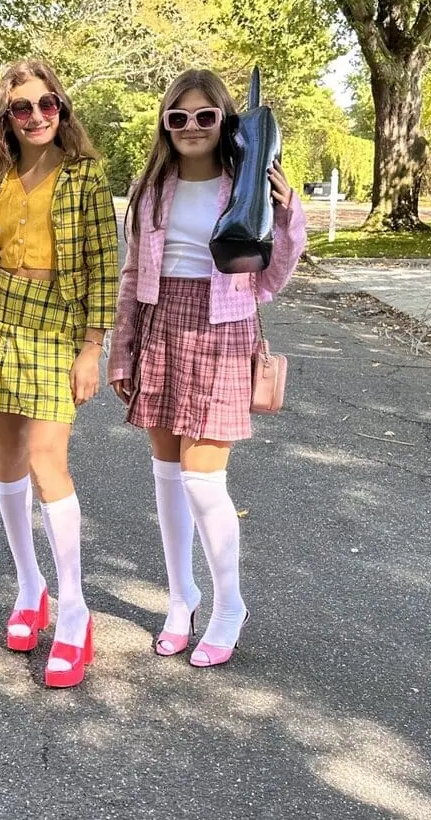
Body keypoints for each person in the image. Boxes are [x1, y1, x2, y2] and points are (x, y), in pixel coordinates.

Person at [108, 69, 306, 668]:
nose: (191, 127)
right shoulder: (150, 190)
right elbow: (133, 275)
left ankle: (229, 606)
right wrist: (122, 348)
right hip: (159, 324)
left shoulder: (244, 186)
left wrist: (287, 214)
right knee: (167, 475)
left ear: (225, 121)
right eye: (178, 117)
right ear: (165, 125)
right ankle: (181, 599)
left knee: (203, 481)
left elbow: (270, 279)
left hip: (222, 331)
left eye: (204, 116)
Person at [0, 60, 118, 688]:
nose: (37, 116)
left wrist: (92, 347)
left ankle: (74, 611)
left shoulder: (86, 176)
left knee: (49, 462)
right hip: (3, 317)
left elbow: (105, 267)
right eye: (22, 108)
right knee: (7, 461)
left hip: (58, 324)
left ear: (61, 109)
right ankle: (30, 589)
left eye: (47, 104)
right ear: (7, 118)